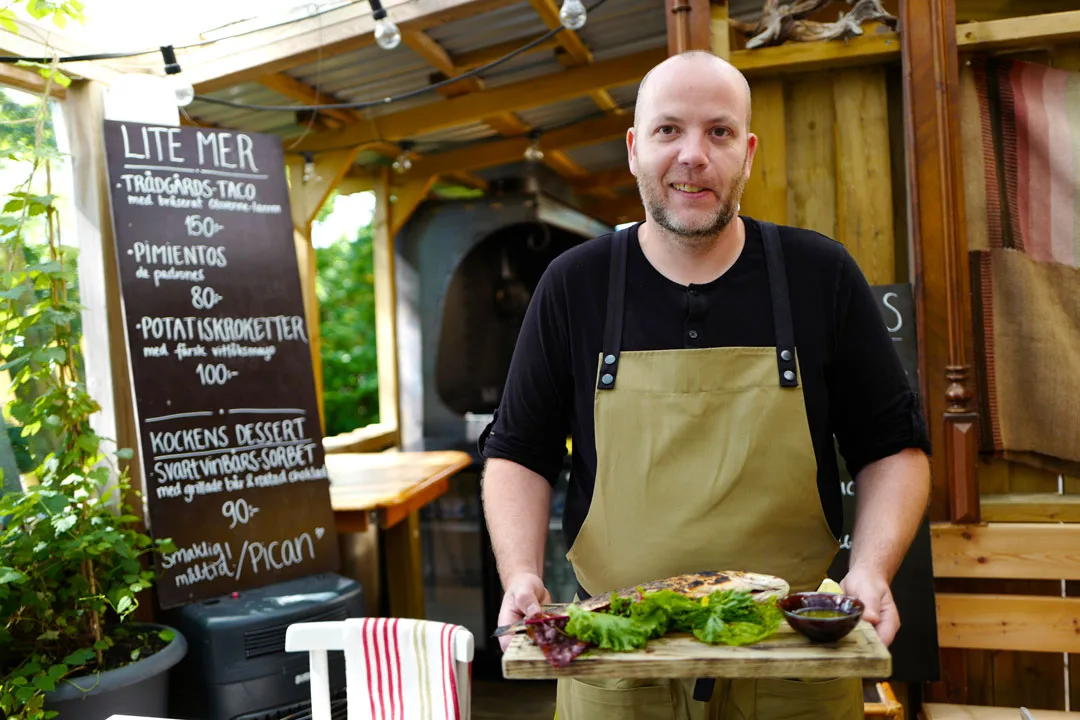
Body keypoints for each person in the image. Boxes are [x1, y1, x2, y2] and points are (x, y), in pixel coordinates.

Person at [477, 49, 931, 720]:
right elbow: (520, 452)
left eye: (719, 132)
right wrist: (520, 574)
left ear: (747, 152)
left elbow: (892, 447)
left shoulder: (820, 274)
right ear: (634, 148)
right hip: (618, 665)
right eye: (669, 130)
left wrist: (870, 569)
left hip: (792, 661)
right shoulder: (574, 284)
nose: (693, 155)